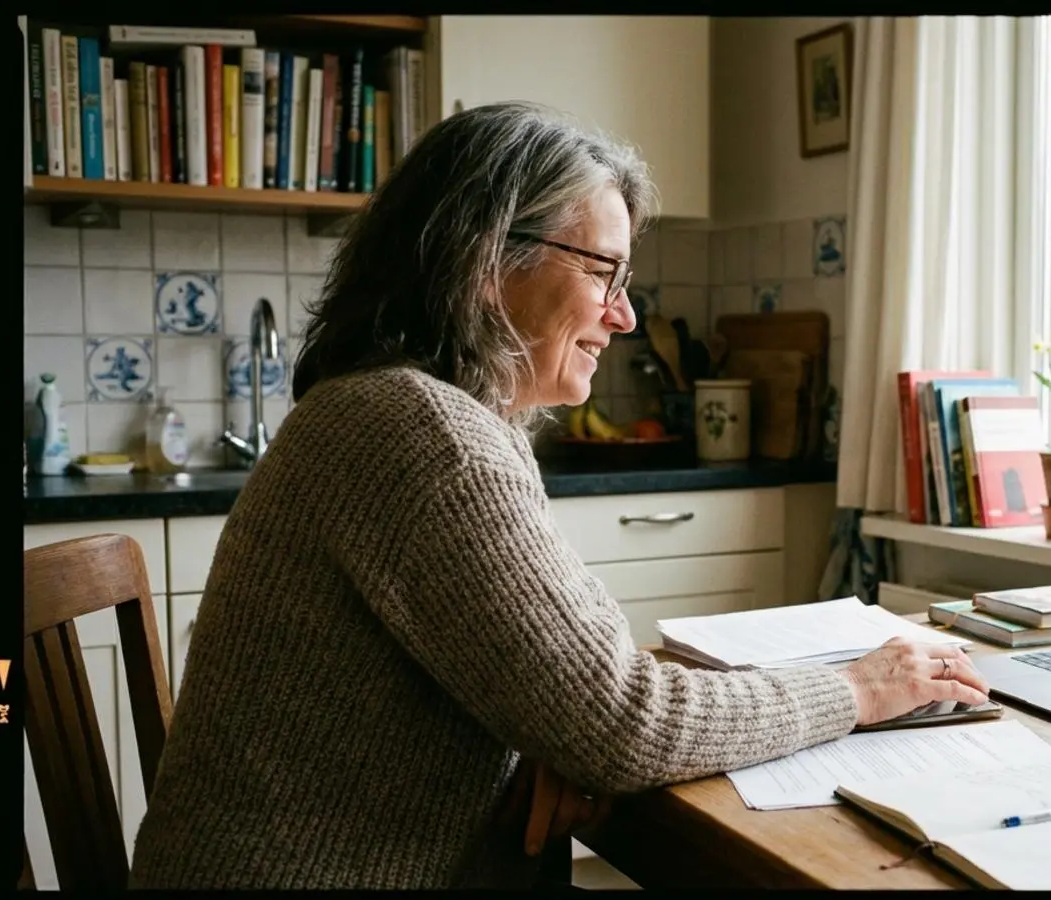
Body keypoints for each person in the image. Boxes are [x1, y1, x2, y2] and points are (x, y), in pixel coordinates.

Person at [128, 101, 990, 890]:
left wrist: (551, 736)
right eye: (604, 273)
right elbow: (626, 720)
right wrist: (862, 690)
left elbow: (587, 698)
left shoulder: (416, 414)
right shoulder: (424, 435)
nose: (622, 317)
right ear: (486, 257)